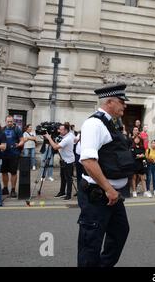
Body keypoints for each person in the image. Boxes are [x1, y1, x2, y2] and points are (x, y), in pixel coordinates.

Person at [77, 84, 132, 267]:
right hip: (100, 195)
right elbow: (88, 161)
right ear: (109, 102)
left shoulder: (110, 124)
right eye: (121, 102)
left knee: (120, 232)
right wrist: (109, 189)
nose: (124, 106)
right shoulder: (94, 124)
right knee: (90, 243)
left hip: (112, 195)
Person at [44, 123, 75, 200]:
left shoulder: (67, 139)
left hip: (68, 161)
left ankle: (68, 195)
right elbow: (75, 139)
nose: (59, 131)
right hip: (63, 160)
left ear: (66, 130)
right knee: (63, 177)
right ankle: (62, 192)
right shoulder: (70, 134)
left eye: (60, 130)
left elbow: (55, 147)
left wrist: (49, 138)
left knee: (68, 178)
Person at [1, 115, 24, 198]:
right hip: (3, 154)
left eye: (11, 121)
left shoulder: (17, 129)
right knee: (4, 172)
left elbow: (22, 140)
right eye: (8, 121)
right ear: (5, 121)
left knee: (13, 172)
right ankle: (5, 188)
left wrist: (19, 144)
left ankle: (13, 190)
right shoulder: (2, 129)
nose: (9, 123)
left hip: (14, 154)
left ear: (13, 121)